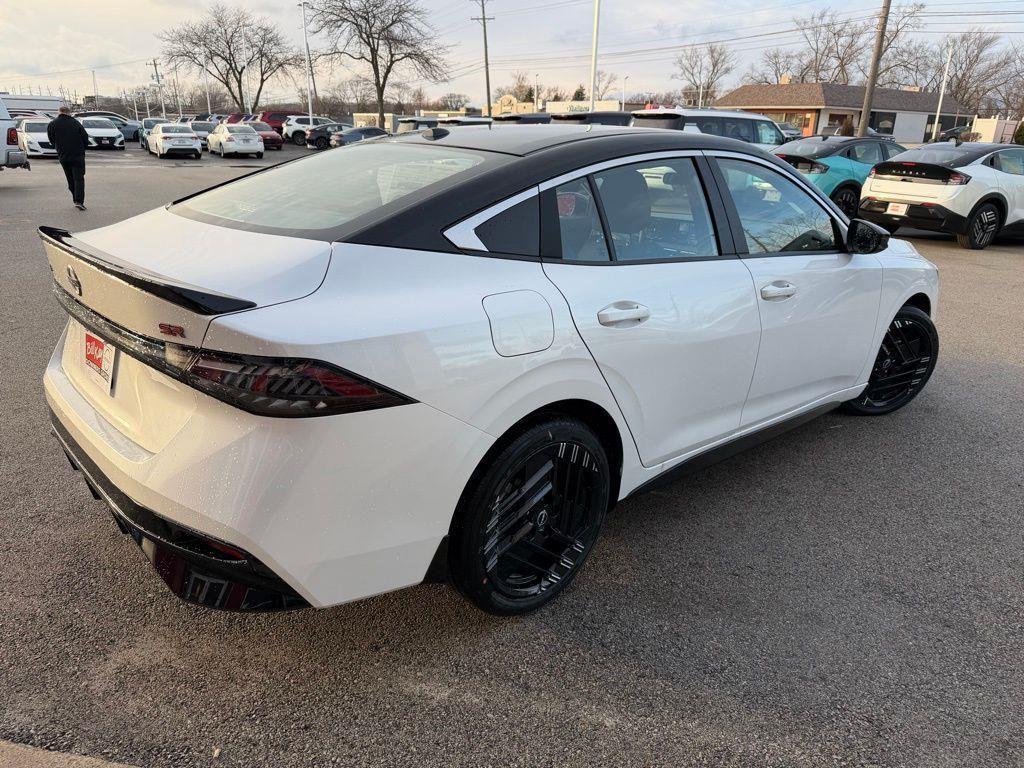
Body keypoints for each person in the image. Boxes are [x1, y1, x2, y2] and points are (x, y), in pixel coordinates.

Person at [47, 106, 90, 210]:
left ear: (59, 112)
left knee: (70, 178)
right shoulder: (76, 123)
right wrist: (83, 148)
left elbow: (51, 139)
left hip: (63, 155)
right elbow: (85, 138)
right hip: (77, 155)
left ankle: (75, 198)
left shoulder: (52, 124)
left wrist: (58, 147)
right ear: (69, 113)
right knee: (78, 178)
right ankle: (79, 200)